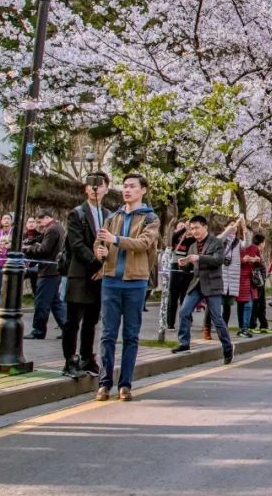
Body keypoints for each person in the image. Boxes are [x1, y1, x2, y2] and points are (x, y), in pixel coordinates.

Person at [93, 172, 160, 402]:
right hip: (110, 280)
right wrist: (100, 251)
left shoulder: (150, 219)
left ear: (143, 190)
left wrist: (115, 240)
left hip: (136, 282)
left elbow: (144, 243)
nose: (127, 190)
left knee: (131, 335)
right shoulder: (113, 217)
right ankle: (104, 383)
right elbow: (100, 242)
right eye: (125, 186)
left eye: (132, 186)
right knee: (108, 334)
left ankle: (125, 384)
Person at [61, 172, 110, 378]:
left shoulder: (109, 215)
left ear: (107, 188)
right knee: (73, 321)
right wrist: (96, 262)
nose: (95, 188)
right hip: (80, 274)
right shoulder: (77, 213)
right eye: (90, 184)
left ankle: (87, 357)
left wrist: (104, 268)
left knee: (91, 321)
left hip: (100, 277)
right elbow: (77, 245)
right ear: (85, 188)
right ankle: (69, 360)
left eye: (99, 184)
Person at [172, 215, 234, 364]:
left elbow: (218, 261)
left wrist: (199, 258)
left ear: (205, 227)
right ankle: (184, 343)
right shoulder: (192, 245)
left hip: (212, 285)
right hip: (196, 284)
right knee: (184, 311)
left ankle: (227, 347)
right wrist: (183, 264)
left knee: (217, 319)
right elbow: (189, 268)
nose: (194, 231)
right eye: (192, 228)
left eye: (197, 228)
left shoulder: (217, 242)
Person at [24, 211, 67, 340]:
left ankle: (38, 330)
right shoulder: (58, 227)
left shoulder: (52, 229)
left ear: (47, 218)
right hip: (55, 270)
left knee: (41, 301)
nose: (38, 224)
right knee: (55, 302)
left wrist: (29, 249)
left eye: (39, 221)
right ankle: (67, 328)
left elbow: (45, 249)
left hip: (48, 271)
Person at [240, 232, 272, 334]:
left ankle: (263, 325)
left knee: (260, 304)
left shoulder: (257, 250)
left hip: (259, 281)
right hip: (256, 281)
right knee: (256, 304)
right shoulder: (254, 249)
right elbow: (254, 263)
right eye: (264, 243)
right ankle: (252, 325)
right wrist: (256, 260)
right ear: (261, 243)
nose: (264, 245)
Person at [166, 221, 194, 329]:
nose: (184, 228)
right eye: (180, 226)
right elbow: (174, 236)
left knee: (185, 296)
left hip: (187, 268)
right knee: (173, 296)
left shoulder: (190, 240)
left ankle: (186, 320)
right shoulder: (174, 238)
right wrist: (183, 228)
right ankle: (170, 323)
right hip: (175, 266)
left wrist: (190, 232)